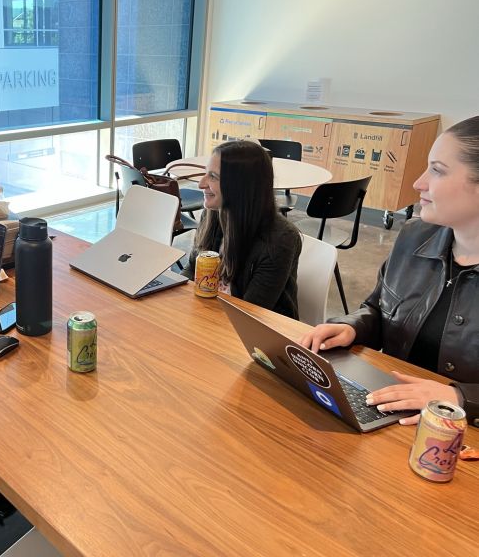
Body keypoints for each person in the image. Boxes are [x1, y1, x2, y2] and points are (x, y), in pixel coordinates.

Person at [301, 116, 479, 427]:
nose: (418, 183)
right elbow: (378, 309)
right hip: (392, 415)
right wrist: (352, 326)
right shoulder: (414, 236)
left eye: (437, 170)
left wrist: (461, 397)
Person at [183, 139, 302, 318]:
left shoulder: (281, 239)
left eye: (213, 177)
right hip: (211, 316)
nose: (201, 184)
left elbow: (249, 314)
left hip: (256, 332)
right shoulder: (213, 214)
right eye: (205, 173)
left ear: (240, 186)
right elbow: (192, 270)